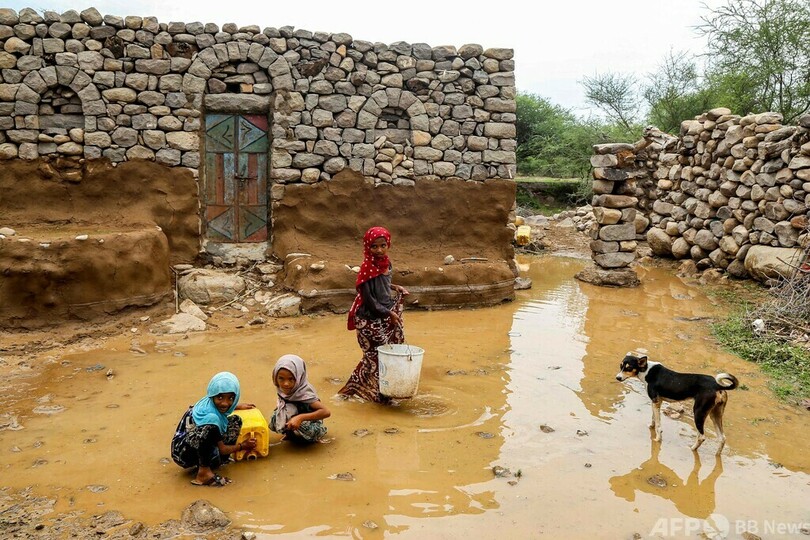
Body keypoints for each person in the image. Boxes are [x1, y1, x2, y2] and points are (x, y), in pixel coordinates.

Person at [338, 226, 409, 403]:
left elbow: (383, 283)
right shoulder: (367, 268)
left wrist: (395, 287)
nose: (379, 250)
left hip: (382, 314)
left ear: (388, 245)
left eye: (383, 245)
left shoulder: (386, 263)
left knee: (381, 356)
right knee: (376, 357)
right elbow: (368, 299)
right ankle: (379, 396)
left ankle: (354, 390)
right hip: (367, 318)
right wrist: (389, 313)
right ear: (367, 247)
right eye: (374, 246)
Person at [171, 371, 257, 486]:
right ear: (213, 395)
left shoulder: (208, 403)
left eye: (231, 398)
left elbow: (223, 404)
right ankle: (203, 473)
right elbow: (223, 449)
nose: (225, 403)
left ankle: (216, 462)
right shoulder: (210, 417)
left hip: (196, 443)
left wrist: (236, 406)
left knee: (236, 421)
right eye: (220, 397)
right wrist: (243, 446)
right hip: (183, 453)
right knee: (211, 427)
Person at [270, 354, 331, 443]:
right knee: (277, 415)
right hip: (295, 418)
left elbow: (326, 412)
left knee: (306, 429)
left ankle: (315, 436)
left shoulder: (305, 393)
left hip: (311, 422)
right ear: (275, 377)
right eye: (281, 378)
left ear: (299, 377)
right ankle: (290, 435)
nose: (286, 384)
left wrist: (300, 418)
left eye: (291, 379)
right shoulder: (283, 390)